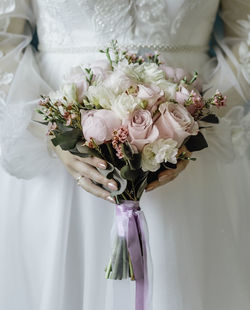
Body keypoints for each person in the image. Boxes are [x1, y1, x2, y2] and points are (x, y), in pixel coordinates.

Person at [0, 1, 250, 309]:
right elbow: (4, 37)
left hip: (192, 152)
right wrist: (49, 129)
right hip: (57, 164)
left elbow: (245, 34)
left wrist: (198, 122)